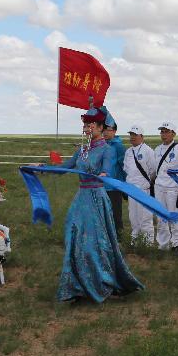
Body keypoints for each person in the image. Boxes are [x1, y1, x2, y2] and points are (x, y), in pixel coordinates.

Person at [53, 106, 144, 302]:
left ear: (101, 127)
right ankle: (77, 285)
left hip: (96, 198)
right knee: (74, 237)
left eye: (90, 124)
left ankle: (102, 283)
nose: (86, 127)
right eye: (85, 124)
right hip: (81, 198)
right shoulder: (83, 149)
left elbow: (107, 172)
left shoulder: (107, 149)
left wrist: (102, 174)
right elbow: (66, 167)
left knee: (95, 242)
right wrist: (41, 168)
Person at [153, 121, 178, 252]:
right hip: (159, 187)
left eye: (166, 131)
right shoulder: (157, 149)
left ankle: (176, 244)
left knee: (175, 216)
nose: (163, 134)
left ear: (173, 133)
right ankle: (163, 244)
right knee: (161, 216)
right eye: (162, 131)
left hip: (174, 188)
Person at [123, 125, 156, 245]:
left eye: (135, 135)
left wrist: (146, 183)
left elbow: (153, 170)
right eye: (131, 135)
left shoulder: (148, 151)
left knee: (145, 217)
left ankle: (148, 243)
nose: (132, 137)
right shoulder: (128, 152)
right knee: (133, 217)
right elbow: (126, 169)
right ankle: (135, 241)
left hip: (143, 189)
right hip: (131, 189)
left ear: (142, 136)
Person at [102, 120, 126, 235]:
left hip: (114, 186)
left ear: (115, 131)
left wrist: (124, 185)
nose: (106, 132)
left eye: (109, 130)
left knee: (115, 214)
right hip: (102, 185)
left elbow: (123, 166)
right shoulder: (101, 144)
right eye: (104, 130)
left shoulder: (118, 146)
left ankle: (119, 237)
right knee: (103, 213)